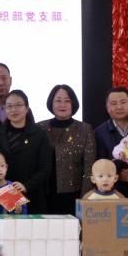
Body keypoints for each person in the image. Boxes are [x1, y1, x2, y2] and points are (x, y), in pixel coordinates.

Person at [0, 90, 54, 215]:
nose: (14, 110)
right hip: (3, 194)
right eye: (9, 106)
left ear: (27, 108)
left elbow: (45, 168)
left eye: (18, 105)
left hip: (32, 194)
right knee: (6, 226)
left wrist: (26, 186)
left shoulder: (39, 134)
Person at [38, 84, 96, 214]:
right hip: (44, 195)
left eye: (67, 101)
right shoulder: (40, 128)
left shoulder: (85, 129)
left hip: (74, 195)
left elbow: (89, 167)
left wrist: (85, 198)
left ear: (73, 103)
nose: (62, 105)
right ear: (51, 103)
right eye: (58, 100)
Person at [93, 86, 128, 161]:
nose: (119, 107)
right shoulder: (99, 133)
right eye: (114, 103)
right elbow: (100, 163)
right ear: (107, 108)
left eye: (123, 102)